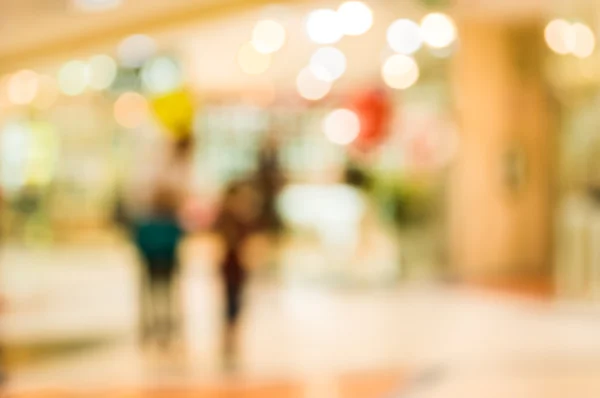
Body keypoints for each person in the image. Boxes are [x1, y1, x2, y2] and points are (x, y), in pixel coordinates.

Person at [124, 133, 193, 349]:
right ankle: (152, 328)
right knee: (151, 284)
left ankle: (167, 328)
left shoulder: (180, 170)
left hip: (166, 236)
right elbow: (142, 196)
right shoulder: (154, 168)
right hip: (152, 234)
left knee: (168, 284)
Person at [212, 180, 264, 364]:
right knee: (230, 299)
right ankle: (228, 334)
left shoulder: (245, 217)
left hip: (240, 265)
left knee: (239, 299)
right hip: (229, 265)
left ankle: (234, 332)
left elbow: (252, 241)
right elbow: (217, 240)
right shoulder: (225, 218)